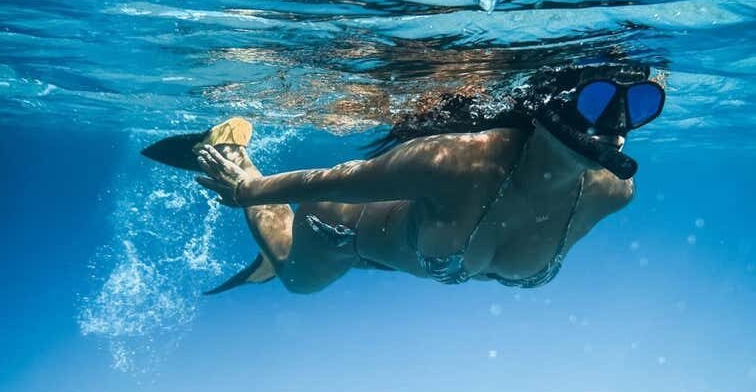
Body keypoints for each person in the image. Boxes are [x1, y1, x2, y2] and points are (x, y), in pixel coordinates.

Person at [150, 63, 665, 294]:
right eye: (597, 100)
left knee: (382, 254)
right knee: (295, 279)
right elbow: (331, 182)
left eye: (640, 105)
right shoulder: (457, 162)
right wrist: (245, 189)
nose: (615, 124)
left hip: (403, 248)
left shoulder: (612, 192)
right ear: (552, 106)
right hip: (342, 227)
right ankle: (226, 148)